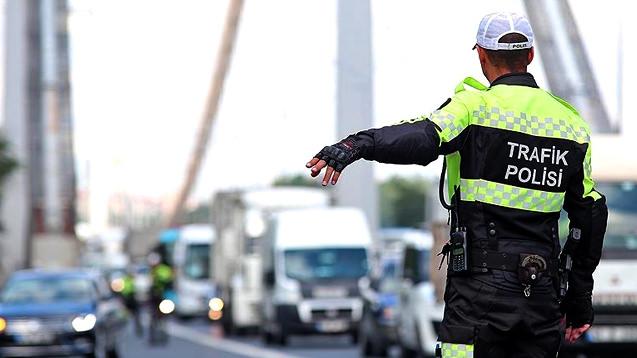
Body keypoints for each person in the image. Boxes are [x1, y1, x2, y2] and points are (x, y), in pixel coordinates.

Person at [306, 12, 608, 357]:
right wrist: (579, 301)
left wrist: (356, 145)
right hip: (541, 294)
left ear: (481, 54)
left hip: (479, 293)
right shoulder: (571, 125)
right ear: (530, 56)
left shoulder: (474, 107)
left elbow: (421, 137)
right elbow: (591, 217)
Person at [121, 267, 142, 337]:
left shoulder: (136, 280)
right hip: (128, 300)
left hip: (134, 299)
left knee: (137, 315)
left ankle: (138, 328)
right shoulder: (124, 280)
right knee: (126, 315)